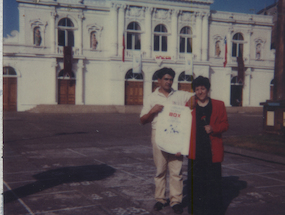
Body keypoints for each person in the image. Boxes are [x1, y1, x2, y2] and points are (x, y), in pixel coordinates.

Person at [140, 67, 195, 214]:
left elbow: (195, 97)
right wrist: (152, 111)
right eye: (166, 79)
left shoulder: (179, 94)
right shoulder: (151, 98)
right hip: (159, 135)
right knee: (160, 169)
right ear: (158, 80)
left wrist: (186, 109)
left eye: (171, 79)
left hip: (177, 135)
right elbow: (142, 120)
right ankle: (160, 199)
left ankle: (176, 200)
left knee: (176, 169)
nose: (169, 82)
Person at [187, 76, 229, 215]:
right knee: (196, 182)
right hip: (195, 149)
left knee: (213, 182)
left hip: (212, 150)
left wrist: (214, 128)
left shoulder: (219, 104)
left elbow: (225, 124)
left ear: (208, 89)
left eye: (203, 88)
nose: (200, 92)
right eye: (197, 89)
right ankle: (197, 210)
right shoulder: (190, 105)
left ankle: (215, 210)